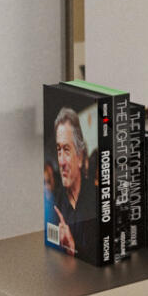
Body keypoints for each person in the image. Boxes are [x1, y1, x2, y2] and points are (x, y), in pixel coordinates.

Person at [43, 105, 98, 255]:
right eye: (58, 150)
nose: (61, 161)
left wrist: (73, 249)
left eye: (66, 150)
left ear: (80, 157)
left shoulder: (98, 200)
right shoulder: (56, 203)